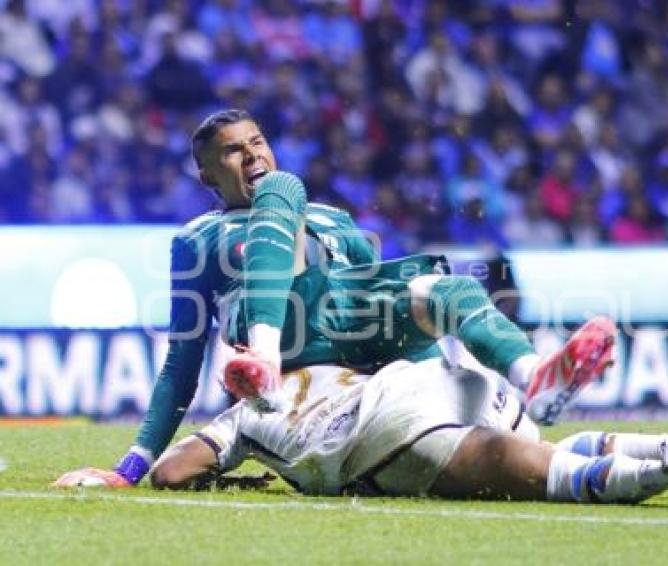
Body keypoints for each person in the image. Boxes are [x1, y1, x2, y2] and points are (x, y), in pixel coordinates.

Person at [53, 109, 614, 488]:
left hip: (355, 330)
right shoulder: (198, 239)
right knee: (283, 189)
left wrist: (454, 388)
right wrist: (131, 467)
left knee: (444, 287)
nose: (251, 155)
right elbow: (182, 359)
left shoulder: (333, 220)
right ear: (206, 175)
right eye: (231, 152)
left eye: (257, 142)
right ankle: (265, 363)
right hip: (285, 334)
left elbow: (379, 295)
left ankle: (535, 376)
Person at [140, 359, 668, 503]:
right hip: (433, 377)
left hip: (383, 436)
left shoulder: (244, 415)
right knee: (543, 449)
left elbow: (173, 471)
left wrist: (238, 475)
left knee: (540, 475)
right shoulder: (328, 366)